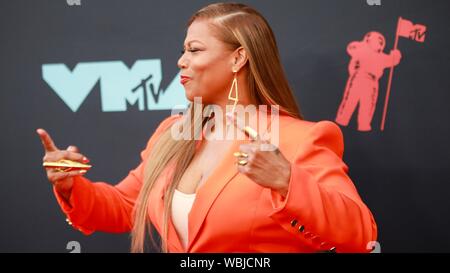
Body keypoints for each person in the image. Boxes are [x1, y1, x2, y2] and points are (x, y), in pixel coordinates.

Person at [36, 3, 377, 253]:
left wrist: (288, 181)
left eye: (194, 50)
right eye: (182, 50)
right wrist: (71, 186)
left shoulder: (300, 138)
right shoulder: (173, 132)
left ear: (238, 58)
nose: (181, 61)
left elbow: (361, 234)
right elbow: (126, 206)